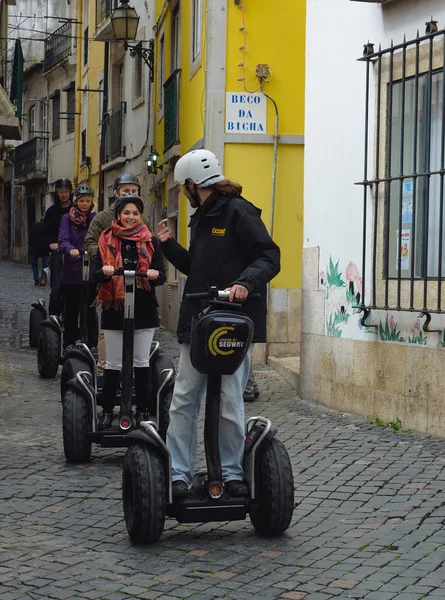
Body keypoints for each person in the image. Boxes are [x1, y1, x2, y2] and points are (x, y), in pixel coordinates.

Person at [158, 149, 280, 499]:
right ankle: (178, 474)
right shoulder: (201, 217)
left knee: (229, 399)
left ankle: (230, 473)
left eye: (184, 186)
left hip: (233, 324)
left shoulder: (239, 212)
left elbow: (270, 256)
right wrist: (168, 248)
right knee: (183, 398)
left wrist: (246, 283)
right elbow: (197, 268)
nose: (183, 192)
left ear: (193, 185)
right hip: (198, 320)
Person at [95, 194, 165, 429]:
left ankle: (143, 409)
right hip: (114, 308)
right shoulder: (105, 240)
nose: (131, 217)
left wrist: (154, 275)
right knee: (113, 362)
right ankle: (107, 410)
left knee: (141, 361)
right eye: (126, 213)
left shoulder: (151, 241)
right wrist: (104, 271)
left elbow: (161, 275)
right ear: (118, 215)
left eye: (135, 213)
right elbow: (96, 274)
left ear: (140, 216)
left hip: (144, 308)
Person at [85, 173, 150, 386]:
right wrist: (106, 259)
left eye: (133, 190)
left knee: (139, 328)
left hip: (139, 283)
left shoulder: (142, 218)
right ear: (116, 192)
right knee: (109, 330)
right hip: (110, 281)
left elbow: (150, 246)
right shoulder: (103, 218)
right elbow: (90, 242)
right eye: (125, 190)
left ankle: (134, 371)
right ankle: (105, 372)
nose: (130, 193)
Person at [58, 184, 97, 353]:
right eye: (82, 201)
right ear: (76, 201)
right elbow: (63, 239)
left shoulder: (95, 219)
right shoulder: (67, 218)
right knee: (71, 310)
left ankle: (91, 343)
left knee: (90, 310)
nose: (85, 204)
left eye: (88, 201)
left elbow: (99, 236)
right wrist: (69, 249)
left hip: (91, 272)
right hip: (72, 271)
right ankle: (69, 342)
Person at [43, 178, 73, 316]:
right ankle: (53, 316)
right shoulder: (51, 211)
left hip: (73, 253)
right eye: (61, 192)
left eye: (66, 192)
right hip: (57, 252)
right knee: (56, 286)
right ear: (57, 193)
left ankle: (71, 317)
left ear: (70, 192)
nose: (64, 195)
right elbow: (46, 231)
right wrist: (51, 244)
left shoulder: (76, 210)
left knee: (73, 287)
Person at [28, 220, 51, 286]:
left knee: (34, 265)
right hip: (45, 249)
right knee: (45, 265)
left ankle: (36, 279)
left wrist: (31, 245)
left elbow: (30, 235)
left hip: (35, 249)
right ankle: (42, 280)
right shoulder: (48, 227)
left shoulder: (35, 225)